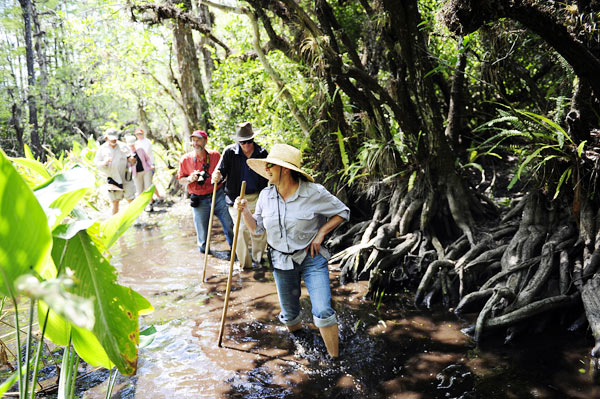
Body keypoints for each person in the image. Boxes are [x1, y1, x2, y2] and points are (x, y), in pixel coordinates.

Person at [235, 143, 349, 359]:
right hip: (280, 260)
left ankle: (336, 361)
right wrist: (246, 212)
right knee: (289, 317)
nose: (266, 169)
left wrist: (321, 233)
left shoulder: (313, 193)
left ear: (285, 169)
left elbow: (342, 212)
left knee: (323, 311)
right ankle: (303, 344)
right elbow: (257, 230)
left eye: (270, 165)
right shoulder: (265, 196)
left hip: (311, 258)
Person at [212, 122, 269, 269]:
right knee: (241, 229)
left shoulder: (262, 153)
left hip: (257, 196)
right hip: (236, 198)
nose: (247, 145)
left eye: (249, 141)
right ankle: (245, 264)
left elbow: (270, 175)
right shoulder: (229, 152)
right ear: (238, 141)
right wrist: (216, 176)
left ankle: (258, 260)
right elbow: (220, 172)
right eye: (243, 142)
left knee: (259, 229)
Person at [177, 130, 234, 256]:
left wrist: (219, 177)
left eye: (198, 140)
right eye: (193, 140)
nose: (195, 143)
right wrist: (190, 179)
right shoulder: (185, 159)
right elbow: (180, 179)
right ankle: (206, 257)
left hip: (217, 195)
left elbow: (225, 174)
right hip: (198, 199)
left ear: (205, 141)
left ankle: (234, 251)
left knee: (229, 224)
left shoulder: (215, 156)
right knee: (202, 236)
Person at [94, 129, 136, 215]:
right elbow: (96, 163)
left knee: (131, 199)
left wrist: (132, 160)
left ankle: (137, 220)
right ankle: (115, 224)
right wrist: (104, 163)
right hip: (112, 179)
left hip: (126, 177)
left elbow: (132, 160)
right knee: (115, 202)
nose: (114, 140)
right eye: (111, 138)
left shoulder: (123, 146)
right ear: (106, 138)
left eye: (115, 138)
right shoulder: (102, 149)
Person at [125, 135, 154, 208]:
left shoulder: (140, 149)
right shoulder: (127, 153)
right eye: (131, 145)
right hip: (136, 174)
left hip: (146, 171)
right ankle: (142, 206)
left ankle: (150, 204)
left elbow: (147, 158)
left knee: (148, 187)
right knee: (139, 190)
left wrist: (151, 165)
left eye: (133, 145)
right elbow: (127, 165)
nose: (132, 147)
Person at [135, 128, 162, 201]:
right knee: (148, 183)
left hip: (149, 164)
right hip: (141, 166)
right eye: (138, 134)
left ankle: (153, 199)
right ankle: (155, 198)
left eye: (140, 134)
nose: (139, 135)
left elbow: (145, 154)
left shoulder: (147, 142)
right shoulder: (136, 143)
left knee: (148, 183)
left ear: (143, 134)